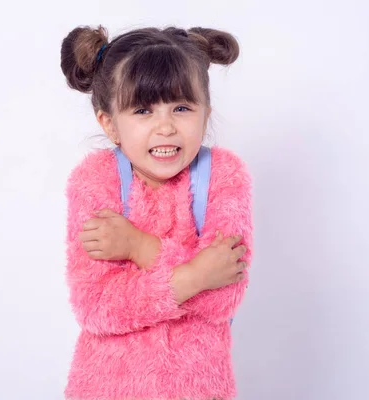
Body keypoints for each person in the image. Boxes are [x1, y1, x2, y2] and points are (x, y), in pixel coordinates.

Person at [59, 25, 254, 400]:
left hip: (199, 389)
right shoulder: (95, 180)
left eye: (181, 108)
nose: (165, 126)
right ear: (110, 123)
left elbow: (224, 296)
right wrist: (196, 274)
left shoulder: (225, 177)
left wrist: (138, 247)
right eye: (143, 110)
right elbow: (97, 307)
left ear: (205, 113)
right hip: (107, 388)